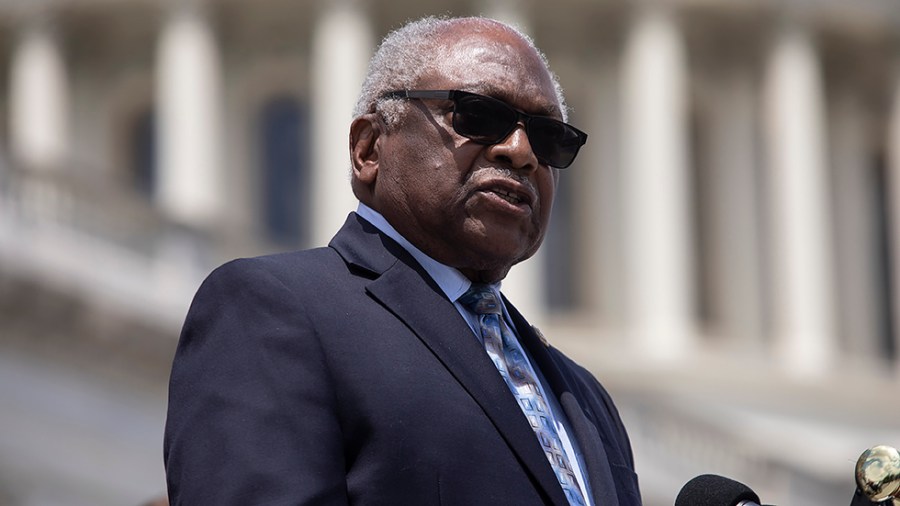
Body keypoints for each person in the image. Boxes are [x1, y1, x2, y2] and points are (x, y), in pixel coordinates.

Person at [164, 16, 641, 506]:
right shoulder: (274, 311)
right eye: (477, 116)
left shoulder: (585, 400)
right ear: (369, 148)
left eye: (548, 139)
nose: (521, 152)